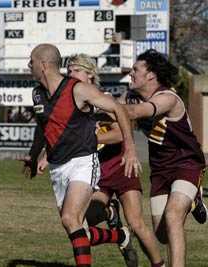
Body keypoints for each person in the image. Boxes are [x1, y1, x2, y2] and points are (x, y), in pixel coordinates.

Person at [26, 43, 141, 267]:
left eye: (31, 62)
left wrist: (129, 147)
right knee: (78, 229)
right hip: (58, 167)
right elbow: (44, 127)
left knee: (70, 218)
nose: (28, 66)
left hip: (83, 161)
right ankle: (120, 236)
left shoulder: (78, 89)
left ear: (43, 65)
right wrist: (35, 155)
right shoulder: (37, 94)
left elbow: (119, 109)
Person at [66, 54, 164, 267]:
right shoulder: (72, 102)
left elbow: (120, 133)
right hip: (97, 170)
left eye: (75, 70)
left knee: (137, 224)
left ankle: (159, 264)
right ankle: (118, 231)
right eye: (68, 71)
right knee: (80, 226)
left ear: (90, 75)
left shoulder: (104, 99)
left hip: (121, 166)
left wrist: (90, 138)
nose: (69, 75)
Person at [123, 49, 206, 267]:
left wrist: (101, 105)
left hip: (186, 163)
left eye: (136, 69)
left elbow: (131, 113)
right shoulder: (131, 96)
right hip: (160, 170)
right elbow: (116, 108)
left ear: (151, 75)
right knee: (162, 234)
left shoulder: (168, 98)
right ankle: (193, 200)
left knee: (173, 216)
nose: (130, 73)